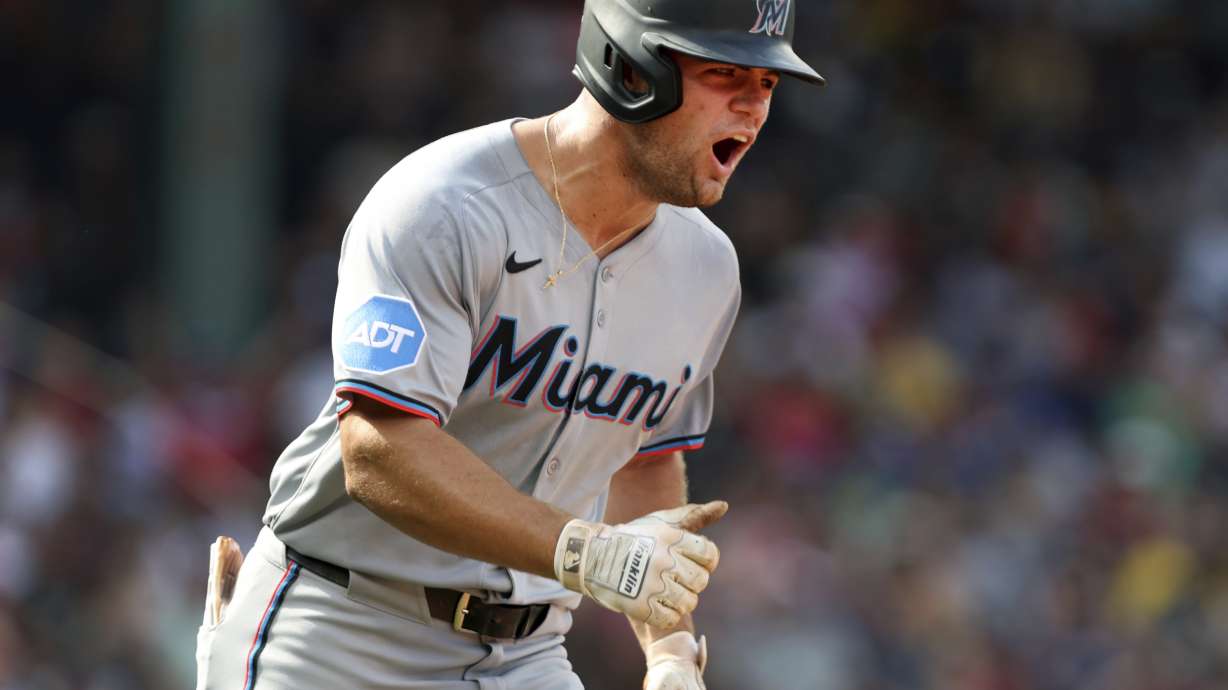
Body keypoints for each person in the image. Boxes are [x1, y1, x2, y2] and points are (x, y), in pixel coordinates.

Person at [195, 0, 823, 688]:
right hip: (342, 629)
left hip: (527, 655)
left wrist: (669, 651)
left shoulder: (708, 271)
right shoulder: (444, 203)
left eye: (766, 84)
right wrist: (583, 551)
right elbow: (378, 451)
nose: (753, 109)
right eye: (725, 74)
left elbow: (644, 464)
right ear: (634, 68)